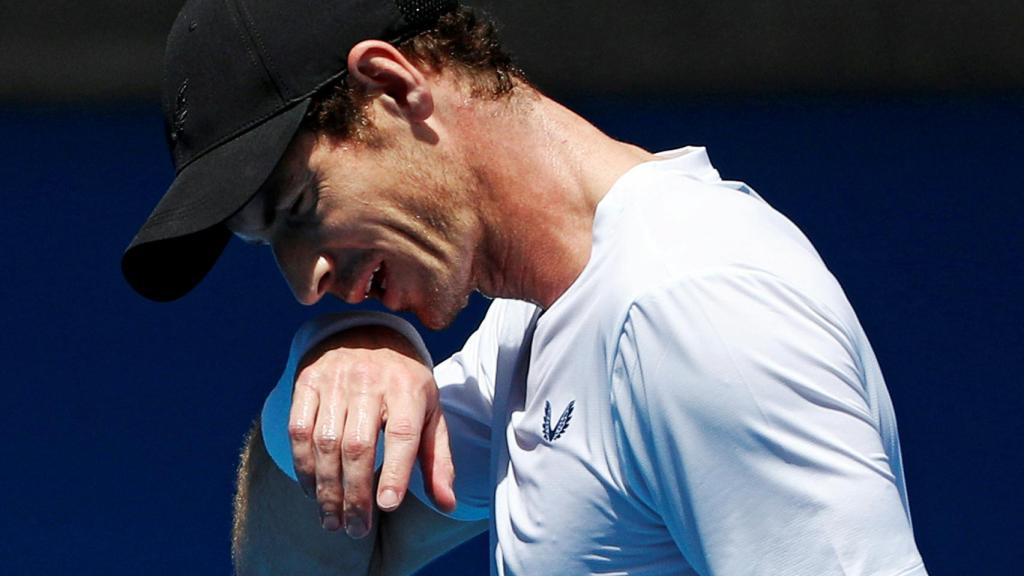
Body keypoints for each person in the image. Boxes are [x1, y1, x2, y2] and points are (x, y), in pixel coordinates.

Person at [123, 1, 927, 574]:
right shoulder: (539, 321)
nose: (306, 282)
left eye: (299, 210)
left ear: (395, 88)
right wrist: (335, 354)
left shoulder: (685, 304)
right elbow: (315, 563)